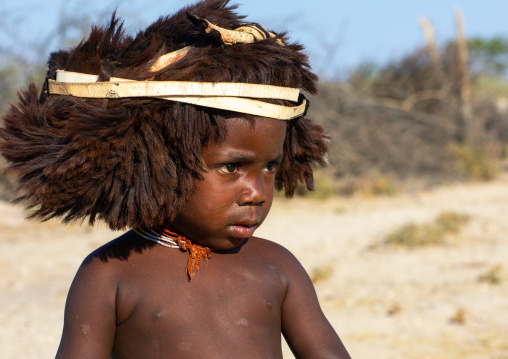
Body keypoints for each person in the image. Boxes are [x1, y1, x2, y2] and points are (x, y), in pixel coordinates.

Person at [0, 0, 351, 357]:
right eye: (231, 168)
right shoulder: (109, 275)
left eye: (269, 167)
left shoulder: (277, 267)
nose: (256, 192)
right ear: (164, 162)